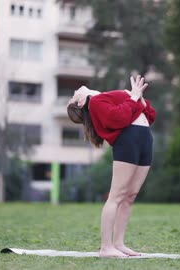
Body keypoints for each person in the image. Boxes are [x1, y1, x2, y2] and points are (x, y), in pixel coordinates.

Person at [67, 75, 156, 258]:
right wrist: (134, 98)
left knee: (130, 196)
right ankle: (106, 247)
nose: (75, 92)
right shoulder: (97, 102)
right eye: (73, 96)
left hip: (144, 138)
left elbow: (150, 115)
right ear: (80, 103)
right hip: (129, 140)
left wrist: (138, 98)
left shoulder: (105, 97)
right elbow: (118, 118)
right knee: (117, 196)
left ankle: (119, 243)